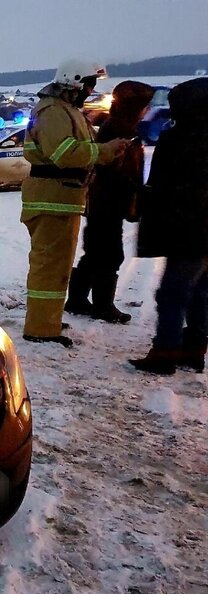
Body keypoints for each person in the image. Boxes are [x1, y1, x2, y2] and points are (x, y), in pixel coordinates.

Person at [19, 58, 131, 347]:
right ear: (74, 82)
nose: (91, 90)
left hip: (61, 198)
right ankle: (41, 329)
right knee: (49, 266)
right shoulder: (54, 111)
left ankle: (47, 320)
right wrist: (104, 152)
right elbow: (63, 153)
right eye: (89, 84)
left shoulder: (66, 110)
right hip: (52, 199)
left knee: (57, 266)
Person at [129, 77, 208, 375]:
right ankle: (194, 348)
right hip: (201, 231)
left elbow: (163, 186)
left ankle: (165, 352)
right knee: (200, 291)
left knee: (172, 293)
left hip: (187, 230)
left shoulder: (179, 139)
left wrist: (144, 205)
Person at [66, 81, 155, 323]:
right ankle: (102, 306)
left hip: (104, 203)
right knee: (109, 254)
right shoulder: (119, 130)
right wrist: (136, 193)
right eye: (143, 106)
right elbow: (114, 172)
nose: (147, 110)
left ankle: (77, 300)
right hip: (107, 203)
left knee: (94, 253)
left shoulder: (119, 127)